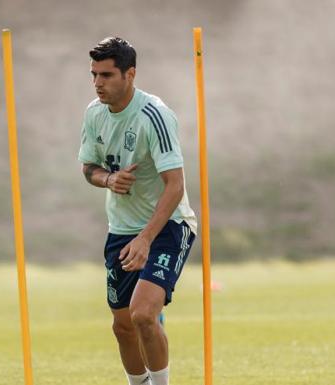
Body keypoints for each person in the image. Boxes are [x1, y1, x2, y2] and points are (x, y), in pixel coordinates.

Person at [78, 37, 197, 385]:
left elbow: (175, 185)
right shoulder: (94, 113)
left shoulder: (154, 116)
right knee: (123, 326)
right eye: (94, 75)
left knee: (144, 315)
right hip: (121, 228)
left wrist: (146, 238)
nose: (98, 83)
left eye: (107, 75)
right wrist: (108, 179)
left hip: (168, 226)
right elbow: (88, 168)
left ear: (130, 74)